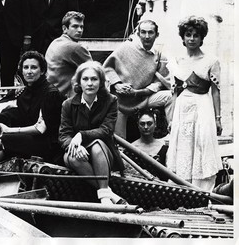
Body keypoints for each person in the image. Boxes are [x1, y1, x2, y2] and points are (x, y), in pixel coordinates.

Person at [166, 16, 222, 192]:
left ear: (201, 38)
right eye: (188, 34)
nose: (191, 39)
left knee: (201, 143)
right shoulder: (178, 61)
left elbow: (215, 90)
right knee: (182, 144)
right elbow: (175, 92)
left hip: (202, 106)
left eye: (195, 35)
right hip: (182, 107)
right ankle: (181, 188)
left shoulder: (211, 61)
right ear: (182, 37)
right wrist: (171, 118)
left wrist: (218, 118)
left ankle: (201, 189)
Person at [59, 61, 125, 204]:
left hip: (103, 153)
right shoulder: (68, 104)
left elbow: (106, 130)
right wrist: (75, 145)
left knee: (96, 145)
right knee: (72, 157)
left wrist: (81, 135)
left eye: (94, 79)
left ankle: (104, 198)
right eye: (85, 79)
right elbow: (64, 135)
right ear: (79, 82)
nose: (90, 83)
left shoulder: (110, 101)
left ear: (101, 82)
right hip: (79, 153)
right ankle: (107, 193)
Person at [103, 19, 173, 140]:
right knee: (120, 142)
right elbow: (107, 68)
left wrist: (139, 92)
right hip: (120, 100)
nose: (146, 36)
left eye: (150, 32)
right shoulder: (126, 48)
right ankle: (122, 155)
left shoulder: (159, 56)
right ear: (138, 34)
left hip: (143, 98)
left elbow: (160, 82)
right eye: (143, 32)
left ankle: (172, 132)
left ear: (157, 35)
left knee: (170, 96)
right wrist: (117, 85)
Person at [45, 11, 92, 98]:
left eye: (81, 27)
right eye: (75, 26)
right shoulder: (74, 47)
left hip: (49, 96)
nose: (79, 30)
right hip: (65, 99)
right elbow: (95, 71)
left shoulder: (55, 42)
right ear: (64, 28)